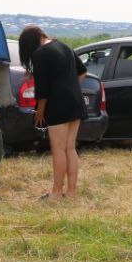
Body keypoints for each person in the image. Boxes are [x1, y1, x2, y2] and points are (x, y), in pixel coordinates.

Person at [18, 25, 86, 200]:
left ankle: (56, 192)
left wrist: (40, 112)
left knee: (58, 149)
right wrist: (69, 88)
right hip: (76, 102)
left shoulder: (40, 54)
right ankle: (71, 192)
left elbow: (42, 90)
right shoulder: (64, 46)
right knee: (70, 148)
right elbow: (83, 72)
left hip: (58, 106)